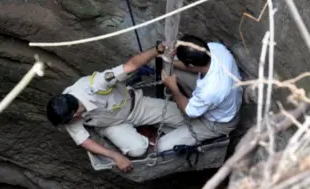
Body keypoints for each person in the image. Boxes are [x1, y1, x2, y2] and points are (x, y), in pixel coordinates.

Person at [46, 34, 243, 173]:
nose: (75, 121)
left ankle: (168, 131)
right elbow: (84, 141)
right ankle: (151, 134)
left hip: (136, 105)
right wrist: (116, 157)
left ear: (74, 112)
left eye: (74, 117)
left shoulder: (95, 85)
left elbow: (131, 66)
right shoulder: (216, 49)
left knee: (184, 123)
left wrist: (156, 51)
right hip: (111, 124)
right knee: (139, 150)